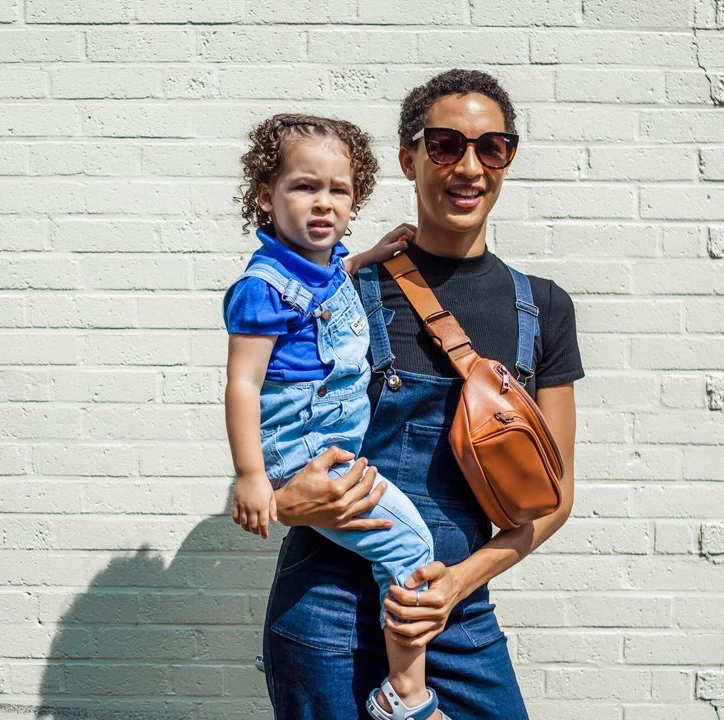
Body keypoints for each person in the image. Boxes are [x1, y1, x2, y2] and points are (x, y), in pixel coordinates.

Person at [261, 69, 584, 719]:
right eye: (445, 145)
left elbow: (555, 497)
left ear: (507, 160)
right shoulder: (342, 293)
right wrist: (285, 499)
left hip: (454, 611)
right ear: (409, 160)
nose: (469, 166)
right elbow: (281, 446)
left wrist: (457, 583)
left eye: (491, 148)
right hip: (329, 610)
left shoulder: (543, 308)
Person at [223, 112, 453, 719]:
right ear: (265, 195)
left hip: (333, 445)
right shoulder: (264, 287)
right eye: (304, 186)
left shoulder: (325, 263)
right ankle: (404, 695)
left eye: (340, 190)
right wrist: (251, 476)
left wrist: (373, 254)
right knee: (410, 545)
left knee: (395, 546)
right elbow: (243, 383)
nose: (323, 203)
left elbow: (335, 282)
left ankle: (319, 650)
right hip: (303, 453)